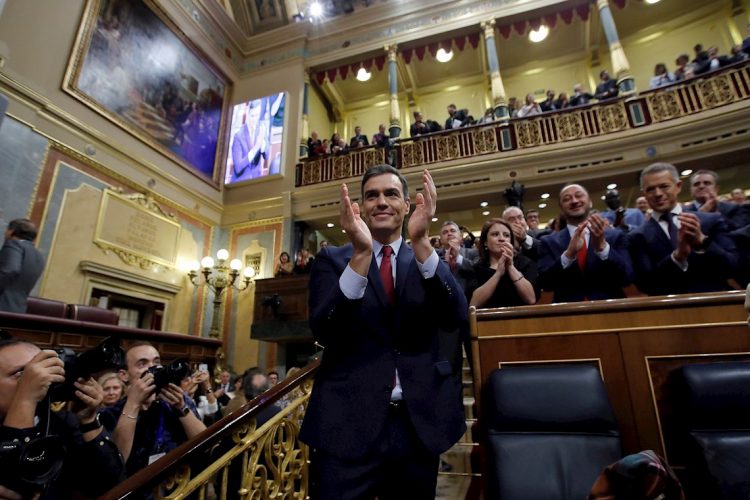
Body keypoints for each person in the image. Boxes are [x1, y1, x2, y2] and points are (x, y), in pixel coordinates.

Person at [300, 165, 467, 498]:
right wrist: (361, 255)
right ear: (360, 207)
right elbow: (324, 329)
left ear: (407, 205)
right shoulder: (333, 260)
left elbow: (455, 316)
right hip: (347, 423)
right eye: (371, 195)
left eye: (391, 194)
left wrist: (420, 242)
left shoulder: (424, 257)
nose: (381, 202)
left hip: (416, 423)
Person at [0, 339, 124, 498]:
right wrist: (26, 398)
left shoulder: (63, 423)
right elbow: (19, 489)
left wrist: (89, 422)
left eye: (44, 369)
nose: (40, 378)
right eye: (22, 373)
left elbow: (113, 485)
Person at [628, 162, 738, 296]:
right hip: (671, 311)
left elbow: (734, 265)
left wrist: (703, 242)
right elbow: (646, 285)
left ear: (678, 186)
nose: (658, 193)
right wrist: (677, 257)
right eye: (650, 189)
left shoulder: (710, 221)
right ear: (643, 193)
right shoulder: (637, 236)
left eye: (664, 186)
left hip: (716, 304)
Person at [100, 342, 207, 477]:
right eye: (142, 364)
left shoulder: (179, 400)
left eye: (156, 361)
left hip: (177, 486)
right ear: (124, 375)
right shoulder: (111, 413)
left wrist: (182, 408)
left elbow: (205, 442)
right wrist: (133, 404)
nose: (152, 368)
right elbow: (115, 464)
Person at [538, 184, 634, 302]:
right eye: (567, 199)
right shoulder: (548, 242)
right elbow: (546, 284)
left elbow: (627, 277)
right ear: (561, 208)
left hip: (610, 310)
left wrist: (603, 248)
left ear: (590, 202)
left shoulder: (616, 236)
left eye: (579, 196)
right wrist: (568, 255)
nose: (574, 201)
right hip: (567, 313)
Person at [465, 218, 537, 308]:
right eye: (495, 234)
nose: (502, 239)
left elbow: (531, 299)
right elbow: (473, 304)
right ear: (485, 242)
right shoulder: (475, 269)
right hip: (487, 320)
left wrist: (510, 267)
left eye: (506, 235)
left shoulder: (524, 263)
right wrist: (498, 273)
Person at [0, 219, 45, 314]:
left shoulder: (14, 245)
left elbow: (10, 270)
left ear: (11, 231)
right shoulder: (38, 255)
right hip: (18, 309)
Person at [684, 169, 750, 230]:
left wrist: (716, 214)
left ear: (716, 189)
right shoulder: (682, 213)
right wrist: (702, 214)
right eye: (696, 184)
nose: (701, 186)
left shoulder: (732, 209)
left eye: (707, 183)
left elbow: (738, 232)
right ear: (691, 190)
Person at [230, 99, 268, 182]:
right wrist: (256, 148)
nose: (254, 119)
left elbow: (267, 156)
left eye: (257, 115)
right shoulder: (238, 136)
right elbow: (238, 167)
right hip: (240, 183)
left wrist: (262, 145)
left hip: (256, 183)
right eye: (252, 116)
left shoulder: (262, 129)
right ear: (247, 113)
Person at [436, 220, 478, 291]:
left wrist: (458, 257)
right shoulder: (435, 256)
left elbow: (477, 271)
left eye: (453, 231)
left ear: (460, 236)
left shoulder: (473, 253)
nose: (449, 233)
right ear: (441, 240)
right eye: (445, 232)